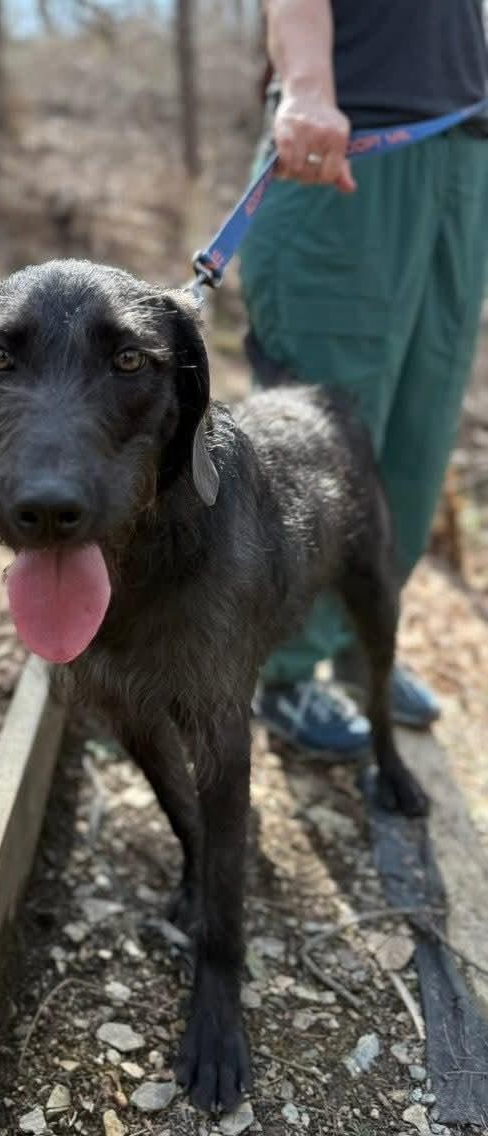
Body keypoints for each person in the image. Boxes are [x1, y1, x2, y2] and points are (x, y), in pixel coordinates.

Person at [240, 0, 488, 759]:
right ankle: (278, 671)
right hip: (351, 154)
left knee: (416, 438)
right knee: (322, 441)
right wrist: (305, 86)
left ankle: (360, 643)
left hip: (459, 152)